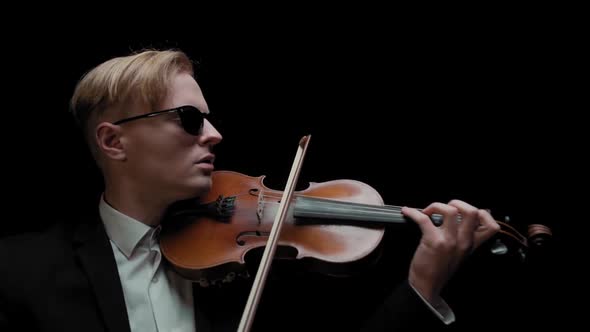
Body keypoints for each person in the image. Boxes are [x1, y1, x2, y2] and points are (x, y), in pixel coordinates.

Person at [0, 49, 500, 332]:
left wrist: (423, 287)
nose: (214, 134)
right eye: (190, 119)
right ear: (114, 141)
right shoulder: (18, 270)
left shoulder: (252, 270)